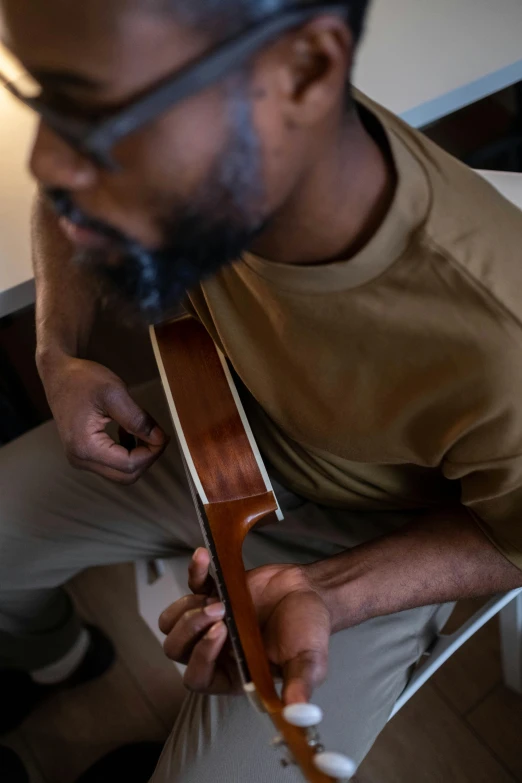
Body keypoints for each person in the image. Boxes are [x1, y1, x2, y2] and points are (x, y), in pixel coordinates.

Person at [1, 0, 522, 780]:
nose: (47, 161)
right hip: (222, 427)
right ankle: (56, 656)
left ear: (306, 69)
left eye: (100, 112)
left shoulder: (501, 336)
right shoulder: (239, 138)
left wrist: (330, 590)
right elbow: (67, 191)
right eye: (44, 97)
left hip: (388, 532)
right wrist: (57, 351)